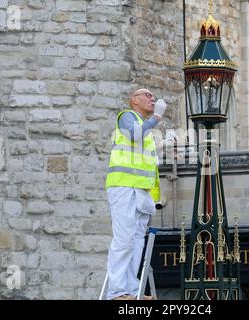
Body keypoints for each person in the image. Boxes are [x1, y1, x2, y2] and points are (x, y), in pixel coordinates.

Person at [104, 88, 167, 300]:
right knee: (123, 240)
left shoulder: (146, 129)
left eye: (153, 96)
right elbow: (134, 134)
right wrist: (157, 117)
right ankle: (117, 291)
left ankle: (130, 289)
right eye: (147, 95)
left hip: (141, 191)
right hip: (123, 187)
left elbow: (147, 165)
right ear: (134, 100)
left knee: (137, 241)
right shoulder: (127, 117)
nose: (152, 98)